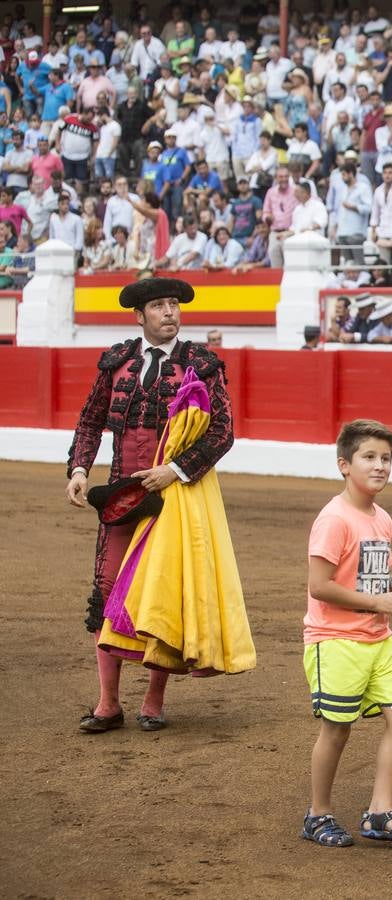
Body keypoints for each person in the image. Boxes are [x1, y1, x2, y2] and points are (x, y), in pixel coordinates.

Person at [65, 277, 235, 733]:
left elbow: (222, 433)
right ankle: (107, 704)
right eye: (159, 306)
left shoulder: (201, 364)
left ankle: (153, 700)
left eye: (174, 305)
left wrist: (174, 469)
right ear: (140, 316)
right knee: (107, 589)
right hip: (121, 497)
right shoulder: (117, 362)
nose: (169, 313)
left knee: (161, 595)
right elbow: (89, 423)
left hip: (171, 497)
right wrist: (80, 470)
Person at [302, 419, 392, 848]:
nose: (380, 466)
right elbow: (319, 586)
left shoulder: (383, 519)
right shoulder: (333, 519)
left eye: (386, 458)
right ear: (344, 464)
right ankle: (317, 814)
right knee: (337, 729)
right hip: (335, 639)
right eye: (369, 457)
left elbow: (368, 581)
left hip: (377, 638)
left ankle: (379, 812)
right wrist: (378, 603)